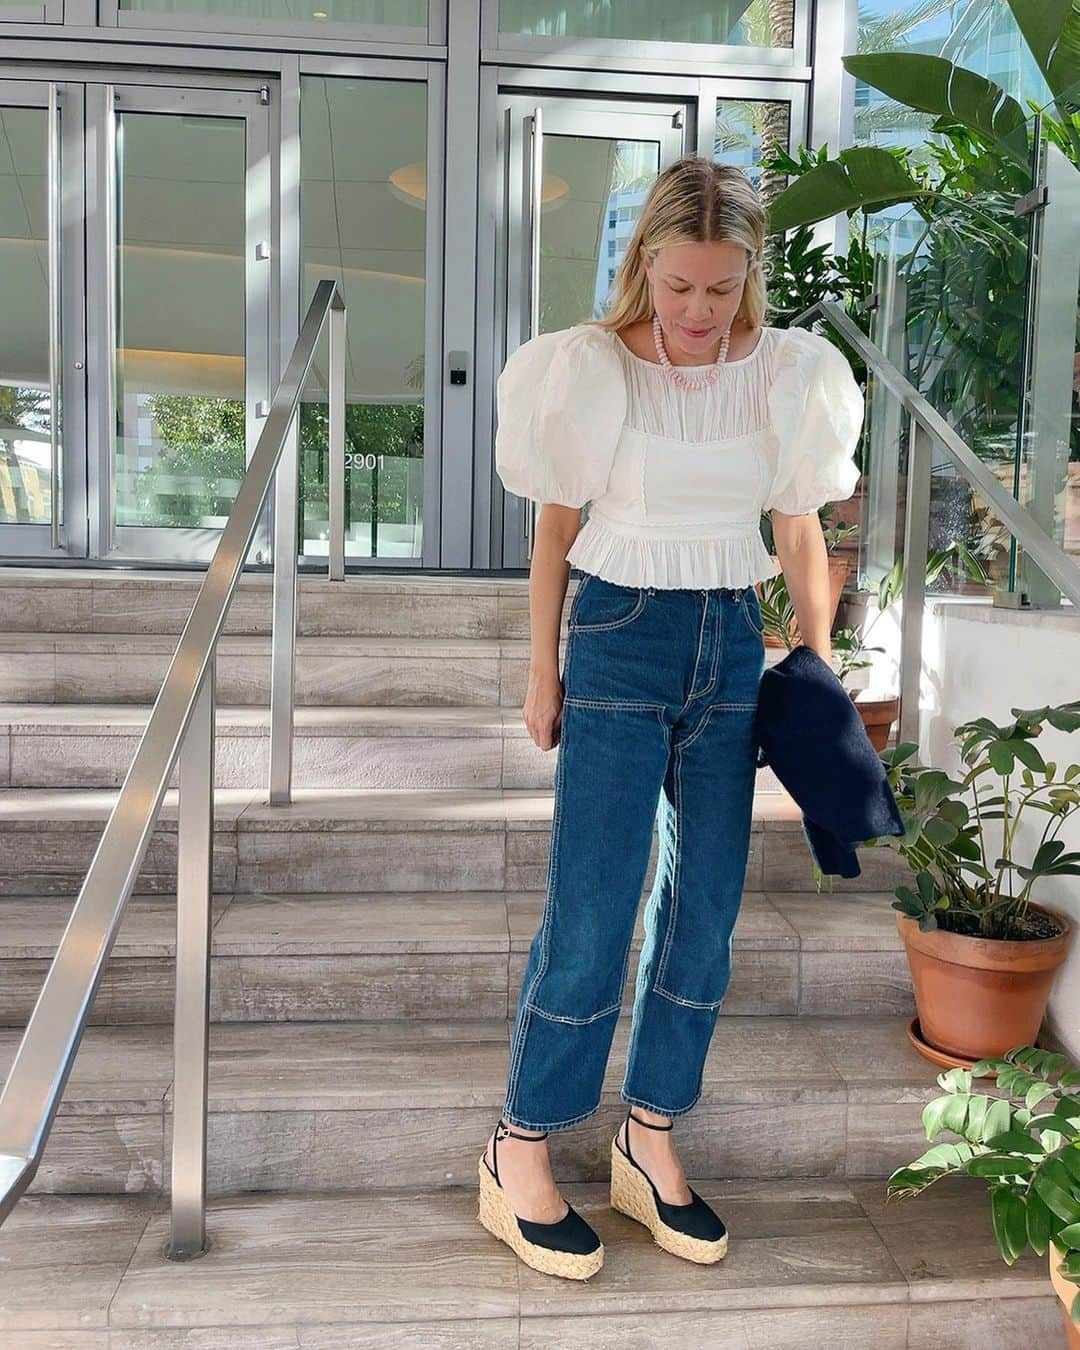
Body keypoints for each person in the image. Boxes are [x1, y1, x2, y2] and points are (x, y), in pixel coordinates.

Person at [477, 155, 865, 1281]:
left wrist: (821, 670)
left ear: (752, 272)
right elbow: (554, 529)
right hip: (618, 633)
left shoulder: (792, 374)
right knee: (594, 911)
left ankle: (650, 1140)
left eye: (722, 286)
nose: (700, 311)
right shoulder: (589, 367)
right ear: (646, 264)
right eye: (681, 284)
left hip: (731, 646)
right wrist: (539, 669)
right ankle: (520, 1146)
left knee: (704, 913)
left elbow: (798, 529)